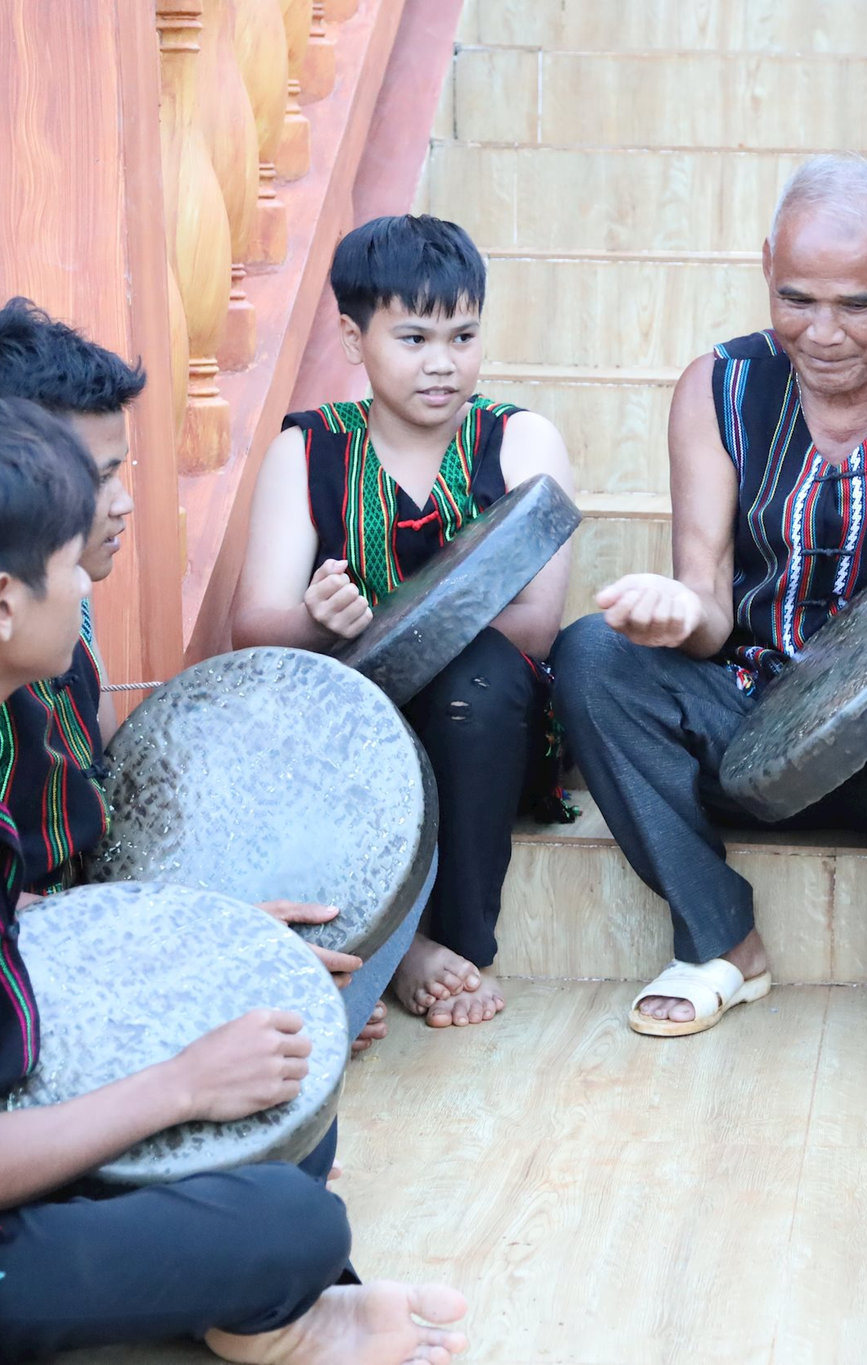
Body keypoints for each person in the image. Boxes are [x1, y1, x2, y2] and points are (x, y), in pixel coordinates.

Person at [0, 396, 470, 1363]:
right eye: (70, 565)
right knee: (290, 1222)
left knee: (281, 1098)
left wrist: (201, 970)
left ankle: (246, 1296)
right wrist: (179, 1086)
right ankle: (266, 1312)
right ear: (2, 602)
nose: (83, 585)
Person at [551, 155, 867, 1065]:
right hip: (749, 729)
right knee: (590, 653)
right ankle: (719, 937)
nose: (823, 333)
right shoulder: (720, 385)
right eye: (796, 298)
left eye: (857, 304)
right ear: (766, 266)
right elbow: (707, 597)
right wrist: (676, 614)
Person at [0, 300, 394, 1055]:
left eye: (124, 469)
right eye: (101, 477)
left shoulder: (58, 601)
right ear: (7, 480)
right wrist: (205, 954)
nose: (124, 503)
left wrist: (221, 923)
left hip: (66, 924)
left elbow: (112, 803)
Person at [233, 214, 577, 1030]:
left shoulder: (519, 441)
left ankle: (453, 940)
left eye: (463, 336)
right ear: (354, 340)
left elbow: (535, 625)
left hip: (485, 725)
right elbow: (253, 630)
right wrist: (318, 624)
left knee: (477, 679)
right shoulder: (308, 451)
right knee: (291, 713)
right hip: (354, 729)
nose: (443, 363)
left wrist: (385, 636)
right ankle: (400, 945)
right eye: (414, 338)